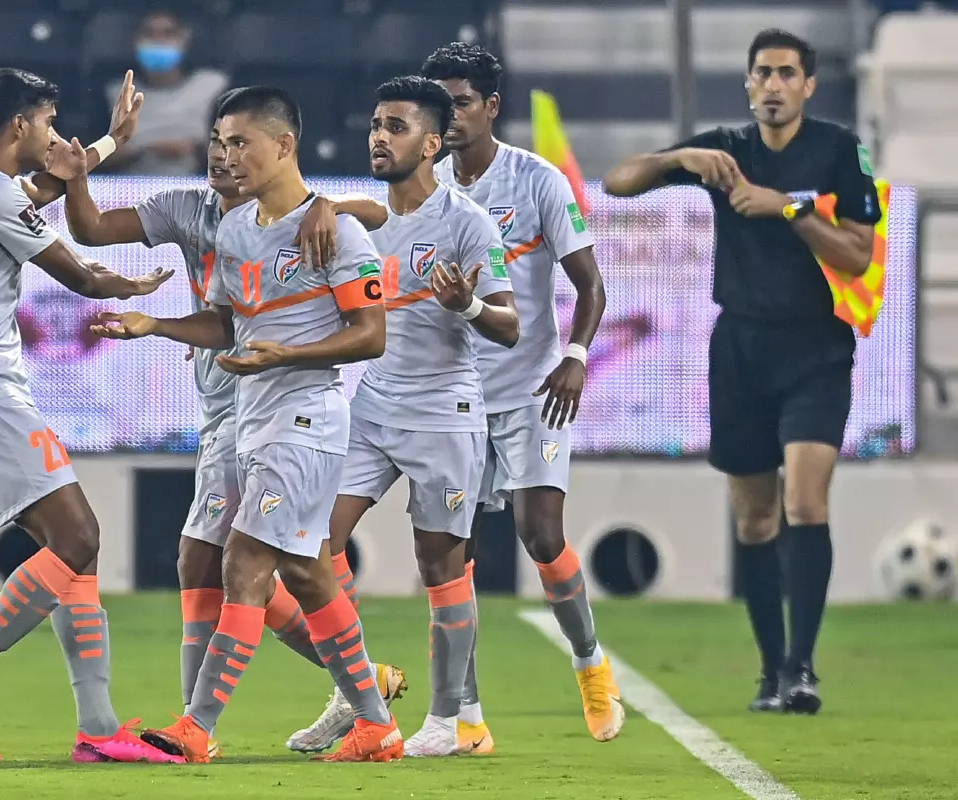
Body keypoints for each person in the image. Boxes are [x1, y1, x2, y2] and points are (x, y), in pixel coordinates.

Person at [61, 88, 408, 756]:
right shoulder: (238, 231)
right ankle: (375, 721)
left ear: (283, 146)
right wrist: (154, 324)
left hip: (307, 414)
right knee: (305, 575)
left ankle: (198, 727)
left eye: (240, 141)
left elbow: (371, 335)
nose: (225, 154)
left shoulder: (339, 230)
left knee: (242, 562)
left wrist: (290, 353)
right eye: (219, 141)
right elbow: (227, 322)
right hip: (248, 413)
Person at [603, 29, 883, 716]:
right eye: (764, 73)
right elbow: (618, 181)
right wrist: (680, 155)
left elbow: (857, 254)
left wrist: (789, 208)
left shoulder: (840, 149)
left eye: (789, 73)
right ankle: (770, 673)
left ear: (808, 85)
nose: (776, 85)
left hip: (817, 347)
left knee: (806, 501)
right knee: (755, 518)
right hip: (739, 348)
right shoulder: (726, 148)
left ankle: (804, 666)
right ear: (750, 84)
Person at [0, 67, 180, 764]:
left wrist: (113, 145)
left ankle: (97, 728)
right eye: (51, 123)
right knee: (79, 537)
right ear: (21, 125)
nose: (58, 136)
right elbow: (83, 275)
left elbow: (40, 188)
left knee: (74, 554)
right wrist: (141, 287)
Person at [285, 75, 519, 758]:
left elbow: (511, 325)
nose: (378, 137)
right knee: (310, 540)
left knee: (441, 564)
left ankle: (451, 722)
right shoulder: (364, 221)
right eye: (376, 125)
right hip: (375, 401)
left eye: (395, 126)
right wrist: (323, 204)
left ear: (433, 142)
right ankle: (356, 691)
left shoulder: (466, 222)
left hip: (445, 410)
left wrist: (467, 308)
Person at [423, 42, 621, 747]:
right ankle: (466, 717)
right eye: (440, 104)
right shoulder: (425, 189)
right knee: (451, 554)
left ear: (492, 106)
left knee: (541, 534)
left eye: (463, 103)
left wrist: (575, 355)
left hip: (534, 385)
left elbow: (592, 286)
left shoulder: (536, 182)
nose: (450, 118)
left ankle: (591, 664)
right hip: (452, 397)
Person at [101, 9, 229, 175]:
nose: (159, 40)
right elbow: (91, 159)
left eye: (168, 33)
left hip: (199, 185)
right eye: (149, 33)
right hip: (129, 190)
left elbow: (234, 152)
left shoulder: (213, 86)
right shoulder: (116, 92)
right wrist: (142, 150)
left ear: (185, 39)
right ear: (135, 41)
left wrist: (195, 150)